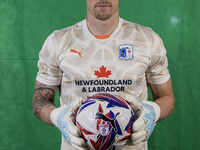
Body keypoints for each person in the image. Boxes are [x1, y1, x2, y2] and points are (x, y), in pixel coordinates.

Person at [32, 0, 175, 150]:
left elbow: (166, 96)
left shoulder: (148, 40)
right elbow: (40, 100)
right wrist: (57, 117)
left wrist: (153, 112)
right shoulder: (58, 42)